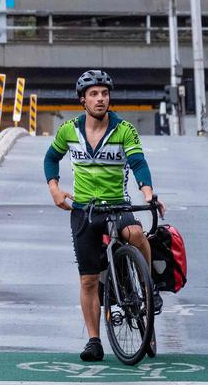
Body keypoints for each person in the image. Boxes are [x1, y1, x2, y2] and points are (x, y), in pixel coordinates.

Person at [43, 70, 166, 362]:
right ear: (82, 100)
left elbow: (138, 162)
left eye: (105, 93)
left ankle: (148, 288)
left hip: (117, 205)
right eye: (94, 94)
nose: (101, 99)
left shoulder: (124, 130)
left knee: (136, 234)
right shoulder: (69, 130)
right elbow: (51, 158)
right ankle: (94, 340)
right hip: (85, 211)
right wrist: (55, 189)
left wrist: (147, 192)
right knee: (87, 280)